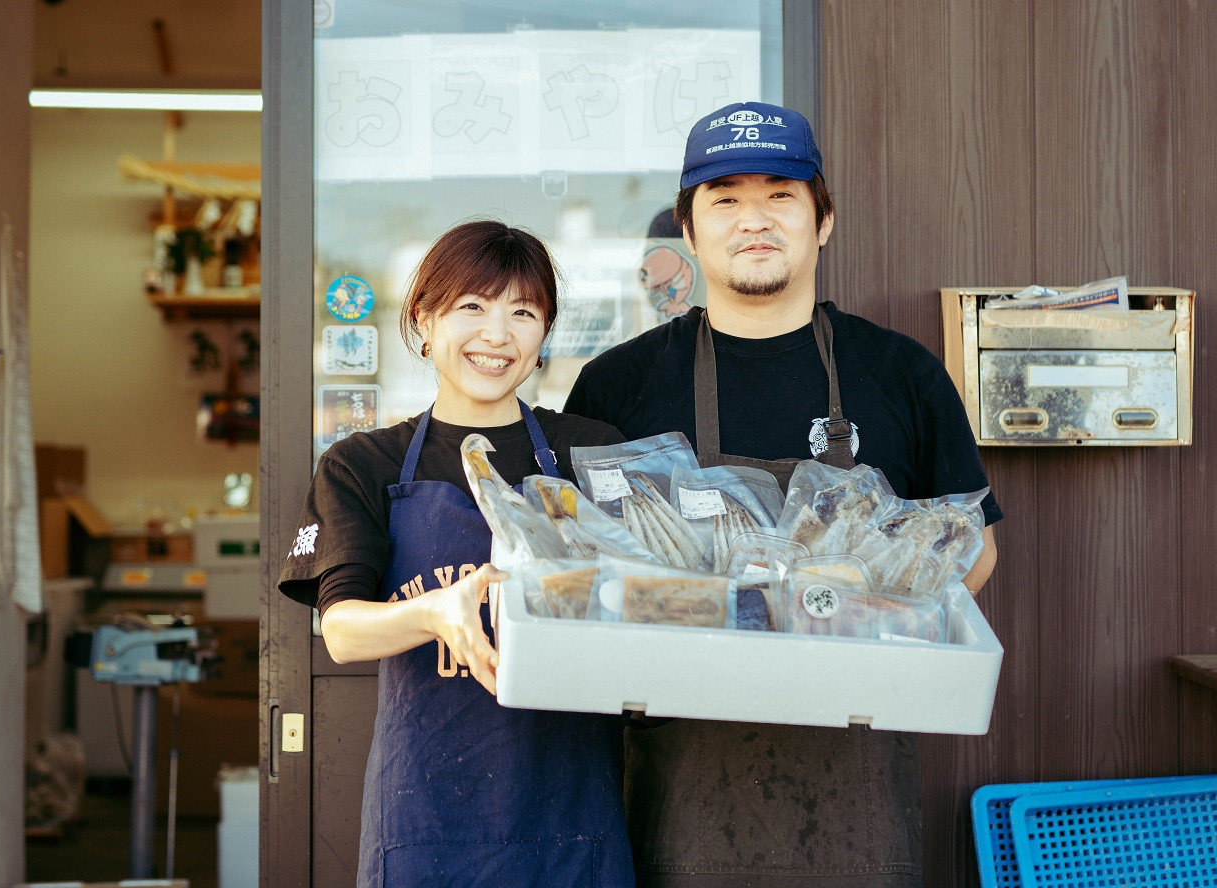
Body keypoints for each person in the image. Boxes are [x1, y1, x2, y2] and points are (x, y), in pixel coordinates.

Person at [564, 102, 1003, 887]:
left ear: (822, 220)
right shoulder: (616, 385)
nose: (753, 219)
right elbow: (582, 569)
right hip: (679, 780)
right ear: (690, 233)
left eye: (781, 194)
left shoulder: (902, 373)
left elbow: (972, 550)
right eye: (725, 198)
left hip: (856, 780)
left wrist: (859, 617)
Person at [278, 220, 634, 888]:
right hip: (426, 828)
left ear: (544, 333)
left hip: (572, 827)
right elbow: (343, 631)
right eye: (472, 307)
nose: (497, 335)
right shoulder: (364, 464)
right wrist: (439, 611)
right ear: (424, 318)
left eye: (523, 312)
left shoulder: (592, 451)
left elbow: (645, 605)